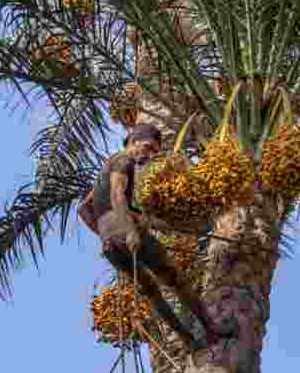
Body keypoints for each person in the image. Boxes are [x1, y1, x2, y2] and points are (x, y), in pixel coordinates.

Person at [78, 124, 232, 349]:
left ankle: (188, 341)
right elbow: (116, 195)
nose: (149, 155)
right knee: (176, 281)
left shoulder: (106, 167)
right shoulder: (124, 160)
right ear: (133, 141)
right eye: (148, 147)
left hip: (110, 245)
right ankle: (212, 329)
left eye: (154, 152)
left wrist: (108, 234)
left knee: (151, 291)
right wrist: (129, 230)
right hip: (125, 234)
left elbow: (84, 209)